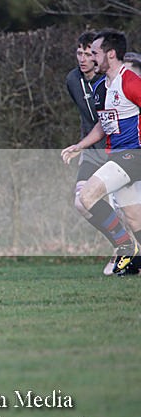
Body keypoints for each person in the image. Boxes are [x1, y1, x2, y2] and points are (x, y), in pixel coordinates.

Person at [61, 29, 141, 275]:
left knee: (86, 196)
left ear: (111, 54)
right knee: (134, 217)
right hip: (117, 156)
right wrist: (80, 146)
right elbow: (102, 125)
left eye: (95, 53)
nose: (91, 58)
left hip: (133, 156)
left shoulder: (130, 81)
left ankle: (125, 247)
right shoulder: (101, 87)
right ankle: (135, 262)